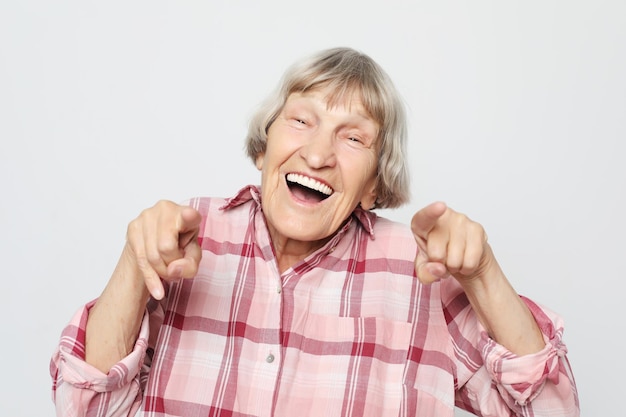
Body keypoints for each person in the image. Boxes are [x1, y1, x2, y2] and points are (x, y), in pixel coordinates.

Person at [50, 47, 579, 417]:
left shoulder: (422, 272)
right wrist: (132, 261)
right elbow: (87, 408)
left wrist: (483, 275)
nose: (320, 154)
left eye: (353, 138)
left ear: (374, 186)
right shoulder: (185, 238)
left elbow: (551, 411)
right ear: (263, 147)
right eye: (301, 121)